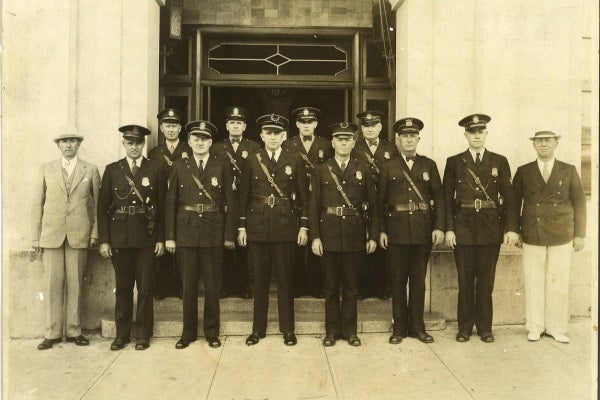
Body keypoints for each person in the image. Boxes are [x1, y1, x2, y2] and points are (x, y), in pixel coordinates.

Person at [443, 113, 519, 343]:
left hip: (489, 229)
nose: (477, 136)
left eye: (480, 132)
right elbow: (446, 199)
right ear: (466, 135)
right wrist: (449, 229)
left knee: (486, 282)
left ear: (486, 134)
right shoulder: (454, 162)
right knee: (465, 282)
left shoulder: (499, 161)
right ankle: (464, 328)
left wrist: (511, 228)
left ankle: (485, 328)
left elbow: (509, 198)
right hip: (463, 228)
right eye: (472, 132)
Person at [237, 113, 309, 346]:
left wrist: (304, 225)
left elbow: (303, 197)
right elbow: (244, 195)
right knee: (259, 281)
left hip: (285, 227)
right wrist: (241, 226)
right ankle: (258, 329)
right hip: (257, 227)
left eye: (277, 133)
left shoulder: (294, 158)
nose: (272, 137)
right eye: (268, 133)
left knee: (285, 280)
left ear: (283, 136)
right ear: (261, 135)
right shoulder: (252, 160)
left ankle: (288, 329)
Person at [164, 120, 237, 349]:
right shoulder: (178, 166)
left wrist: (228, 235)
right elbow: (170, 203)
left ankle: (212, 332)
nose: (200, 143)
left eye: (204, 139)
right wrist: (169, 236)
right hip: (186, 232)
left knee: (213, 286)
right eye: (196, 139)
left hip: (213, 233)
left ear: (210, 142)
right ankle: (188, 333)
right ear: (189, 142)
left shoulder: (222, 166)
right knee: (189, 287)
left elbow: (231, 203)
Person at [309, 122, 379, 347]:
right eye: (339, 139)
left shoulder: (363, 169)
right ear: (332, 142)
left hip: (354, 234)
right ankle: (331, 331)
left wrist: (373, 236)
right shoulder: (321, 169)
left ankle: (350, 331)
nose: (343, 143)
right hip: (328, 234)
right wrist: (315, 237)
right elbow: (313, 206)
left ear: (353, 142)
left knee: (351, 287)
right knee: (330, 287)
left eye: (347, 139)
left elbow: (374, 205)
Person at [513, 130, 586, 343]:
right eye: (539, 141)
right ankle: (535, 326)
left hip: (562, 234)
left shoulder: (568, 170)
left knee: (558, 282)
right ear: (534, 145)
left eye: (548, 140)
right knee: (534, 281)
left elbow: (580, 203)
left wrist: (580, 234)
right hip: (532, 233)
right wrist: (514, 230)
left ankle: (556, 327)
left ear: (556, 143)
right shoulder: (524, 171)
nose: (544, 144)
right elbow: (514, 204)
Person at [98, 124, 166, 351]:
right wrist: (105, 240)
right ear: (124, 144)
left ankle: (143, 335)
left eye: (138, 143)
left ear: (143, 144)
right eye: (130, 143)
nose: (134, 147)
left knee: (145, 289)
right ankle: (122, 334)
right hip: (120, 239)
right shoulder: (113, 170)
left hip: (146, 238)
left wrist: (160, 239)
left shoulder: (155, 169)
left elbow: (163, 206)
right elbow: (102, 208)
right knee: (123, 288)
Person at [32, 126, 101, 350]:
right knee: (52, 284)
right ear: (58, 145)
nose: (69, 145)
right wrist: (35, 236)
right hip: (51, 235)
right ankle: (51, 333)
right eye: (64, 141)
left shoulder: (90, 170)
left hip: (79, 235)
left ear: (79, 144)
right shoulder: (46, 169)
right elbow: (37, 204)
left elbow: (98, 206)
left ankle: (73, 330)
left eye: (73, 141)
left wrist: (95, 233)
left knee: (75, 285)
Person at [378, 118, 445, 344]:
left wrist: (438, 227)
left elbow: (439, 198)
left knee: (418, 281)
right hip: (396, 232)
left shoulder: (429, 165)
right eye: (404, 136)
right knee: (398, 281)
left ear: (418, 139)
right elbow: (380, 202)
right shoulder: (388, 167)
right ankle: (399, 328)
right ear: (398, 140)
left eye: (412, 136)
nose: (408, 140)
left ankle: (418, 327)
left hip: (422, 231)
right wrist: (382, 231)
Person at [282, 106, 333, 298]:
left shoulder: (326, 145)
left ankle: (316, 286)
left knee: (318, 238)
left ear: (316, 124)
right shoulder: (288, 144)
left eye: (310, 122)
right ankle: (297, 286)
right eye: (302, 122)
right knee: (296, 241)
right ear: (297, 124)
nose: (306, 125)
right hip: (297, 196)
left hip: (321, 197)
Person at [211, 106, 260, 299]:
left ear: (245, 126)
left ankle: (243, 286)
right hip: (223, 200)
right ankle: (224, 285)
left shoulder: (254, 147)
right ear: (226, 125)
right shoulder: (217, 147)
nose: (235, 126)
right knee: (224, 242)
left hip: (246, 200)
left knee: (243, 245)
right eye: (232, 122)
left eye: (239, 123)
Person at [352, 110, 398, 299]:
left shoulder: (391, 148)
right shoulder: (354, 148)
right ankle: (362, 289)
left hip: (384, 199)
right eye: (366, 126)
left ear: (380, 127)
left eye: (373, 126)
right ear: (362, 129)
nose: (369, 129)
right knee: (362, 244)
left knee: (383, 244)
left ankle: (382, 289)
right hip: (361, 200)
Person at [148, 108, 190, 299]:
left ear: (180, 128)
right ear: (161, 128)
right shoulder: (155, 152)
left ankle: (182, 288)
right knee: (163, 243)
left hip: (182, 203)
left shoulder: (188, 150)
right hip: (160, 201)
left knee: (181, 246)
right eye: (167, 126)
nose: (171, 129)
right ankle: (163, 287)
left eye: (174, 126)